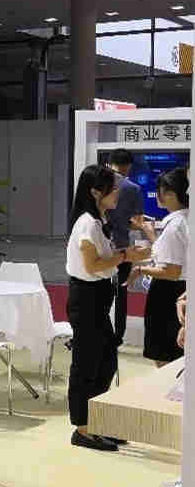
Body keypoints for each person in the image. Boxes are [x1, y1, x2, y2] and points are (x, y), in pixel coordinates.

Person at [65, 166, 151, 451]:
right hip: (86, 299)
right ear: (94, 192)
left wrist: (126, 255)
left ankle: (97, 421)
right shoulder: (87, 224)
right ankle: (83, 428)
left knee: (106, 362)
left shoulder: (100, 220)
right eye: (112, 189)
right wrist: (125, 255)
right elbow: (92, 266)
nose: (117, 193)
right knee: (87, 365)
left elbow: (103, 260)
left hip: (98, 297)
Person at [128, 168, 188, 367]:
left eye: (161, 191)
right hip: (179, 290)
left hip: (168, 294)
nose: (158, 196)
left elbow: (171, 271)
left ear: (171, 194)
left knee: (165, 355)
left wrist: (140, 270)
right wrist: (152, 235)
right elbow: (171, 257)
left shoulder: (175, 226)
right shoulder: (184, 221)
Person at [105, 148, 145, 347]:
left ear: (109, 162)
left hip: (99, 247)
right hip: (121, 247)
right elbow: (136, 222)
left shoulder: (98, 183)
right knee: (121, 293)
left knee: (98, 291)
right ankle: (118, 336)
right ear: (128, 166)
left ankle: (98, 331)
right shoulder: (132, 188)